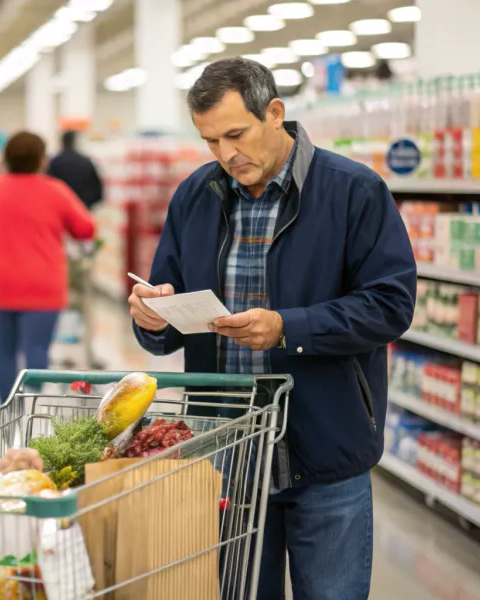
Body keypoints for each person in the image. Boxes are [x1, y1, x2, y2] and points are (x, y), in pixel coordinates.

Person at [128, 58, 416, 600]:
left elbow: (390, 305)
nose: (225, 154)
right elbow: (166, 316)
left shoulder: (353, 191)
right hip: (230, 456)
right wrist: (150, 315)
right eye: (210, 141)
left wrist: (289, 327)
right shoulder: (195, 196)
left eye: (236, 134)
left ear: (275, 113)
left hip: (327, 449)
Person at [0, 131, 95, 402]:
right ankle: (31, 410)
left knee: (5, 351)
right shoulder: (55, 190)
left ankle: (7, 415)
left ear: (6, 159)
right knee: (37, 350)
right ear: (42, 160)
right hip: (43, 284)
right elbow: (85, 229)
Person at [47, 130, 104, 210]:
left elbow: (48, 185)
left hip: (60, 207)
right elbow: (96, 189)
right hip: (82, 206)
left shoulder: (54, 162)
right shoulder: (85, 162)